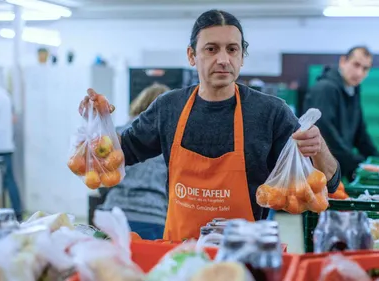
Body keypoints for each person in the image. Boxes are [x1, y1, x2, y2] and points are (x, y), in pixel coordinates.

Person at [79, 9, 341, 242]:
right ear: (192, 55)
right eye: (211, 49)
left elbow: (328, 184)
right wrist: (99, 123)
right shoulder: (168, 107)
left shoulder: (271, 113)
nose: (223, 59)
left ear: (242, 57)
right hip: (179, 255)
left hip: (243, 257)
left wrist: (318, 148)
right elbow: (121, 155)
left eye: (232, 49)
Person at [100, 83, 170, 240]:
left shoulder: (118, 133)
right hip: (153, 217)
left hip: (113, 213)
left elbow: (102, 178)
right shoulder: (169, 138)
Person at [303, 46, 379, 181]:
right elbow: (324, 133)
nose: (359, 73)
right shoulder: (325, 89)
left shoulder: (353, 90)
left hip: (337, 170)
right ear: (343, 61)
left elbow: (360, 133)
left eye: (365, 68)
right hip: (319, 172)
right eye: (356, 65)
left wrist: (378, 159)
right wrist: (356, 161)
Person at [0, 85, 23, 220]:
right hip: (7, 145)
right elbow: (14, 119)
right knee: (9, 180)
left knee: (7, 180)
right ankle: (18, 213)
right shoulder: (5, 95)